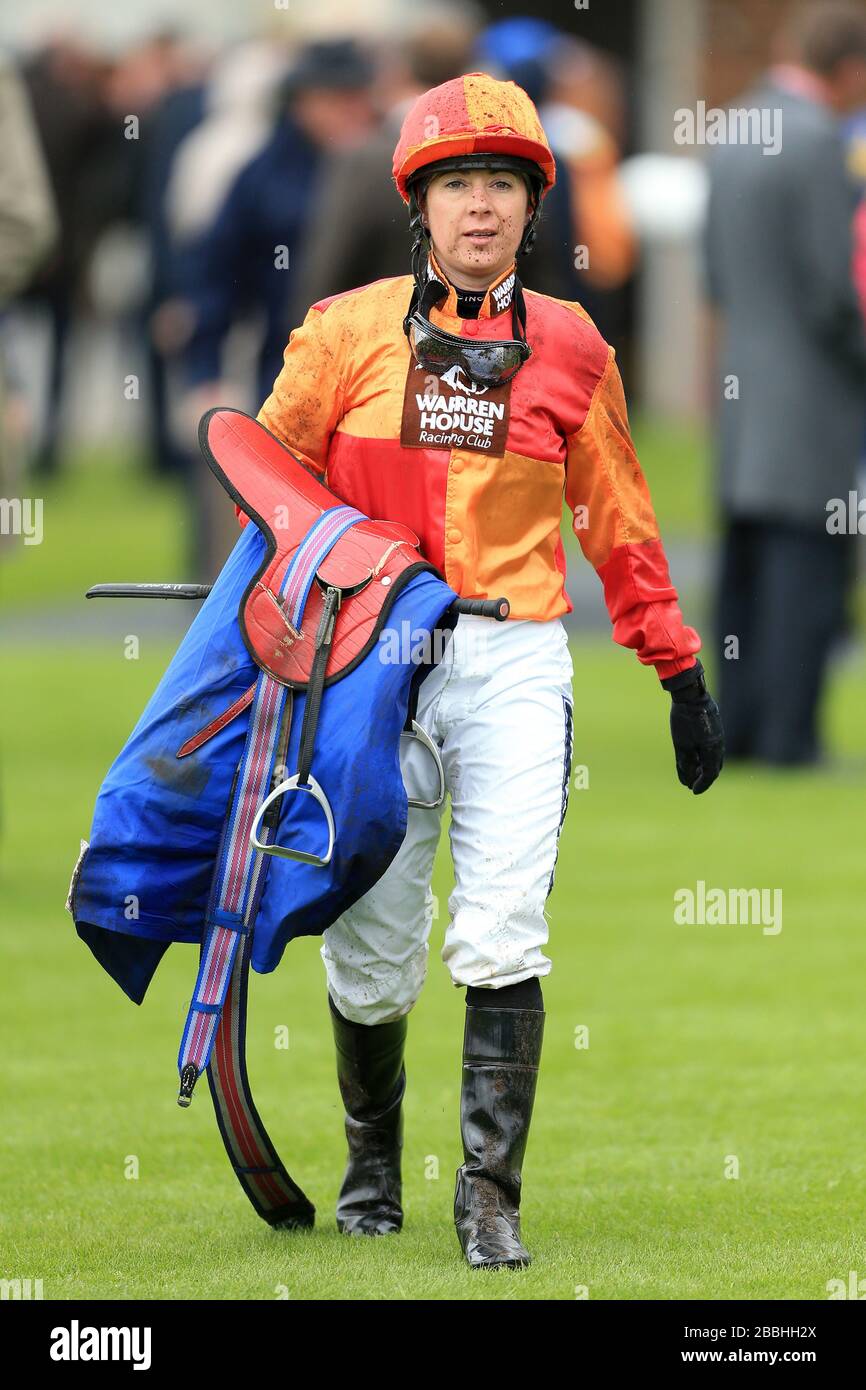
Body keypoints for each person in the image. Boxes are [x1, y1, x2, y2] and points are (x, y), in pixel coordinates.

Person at [244, 73, 723, 1270]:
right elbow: (267, 486)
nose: (478, 208)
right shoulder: (342, 333)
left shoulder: (571, 344)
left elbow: (619, 521)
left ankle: (487, 1195)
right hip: (366, 661)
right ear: (420, 202)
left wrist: (675, 671)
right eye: (457, 184)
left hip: (512, 658)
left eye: (500, 186)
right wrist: (271, 631)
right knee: (371, 947)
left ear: (527, 205)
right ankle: (369, 1160)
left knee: (501, 927)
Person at [704, 0, 866, 764]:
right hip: (810, 394)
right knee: (808, 564)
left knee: (744, 569)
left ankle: (738, 724)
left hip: (743, 383)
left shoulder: (735, 126)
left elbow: (712, 272)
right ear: (851, 69)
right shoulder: (815, 144)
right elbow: (834, 291)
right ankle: (790, 738)